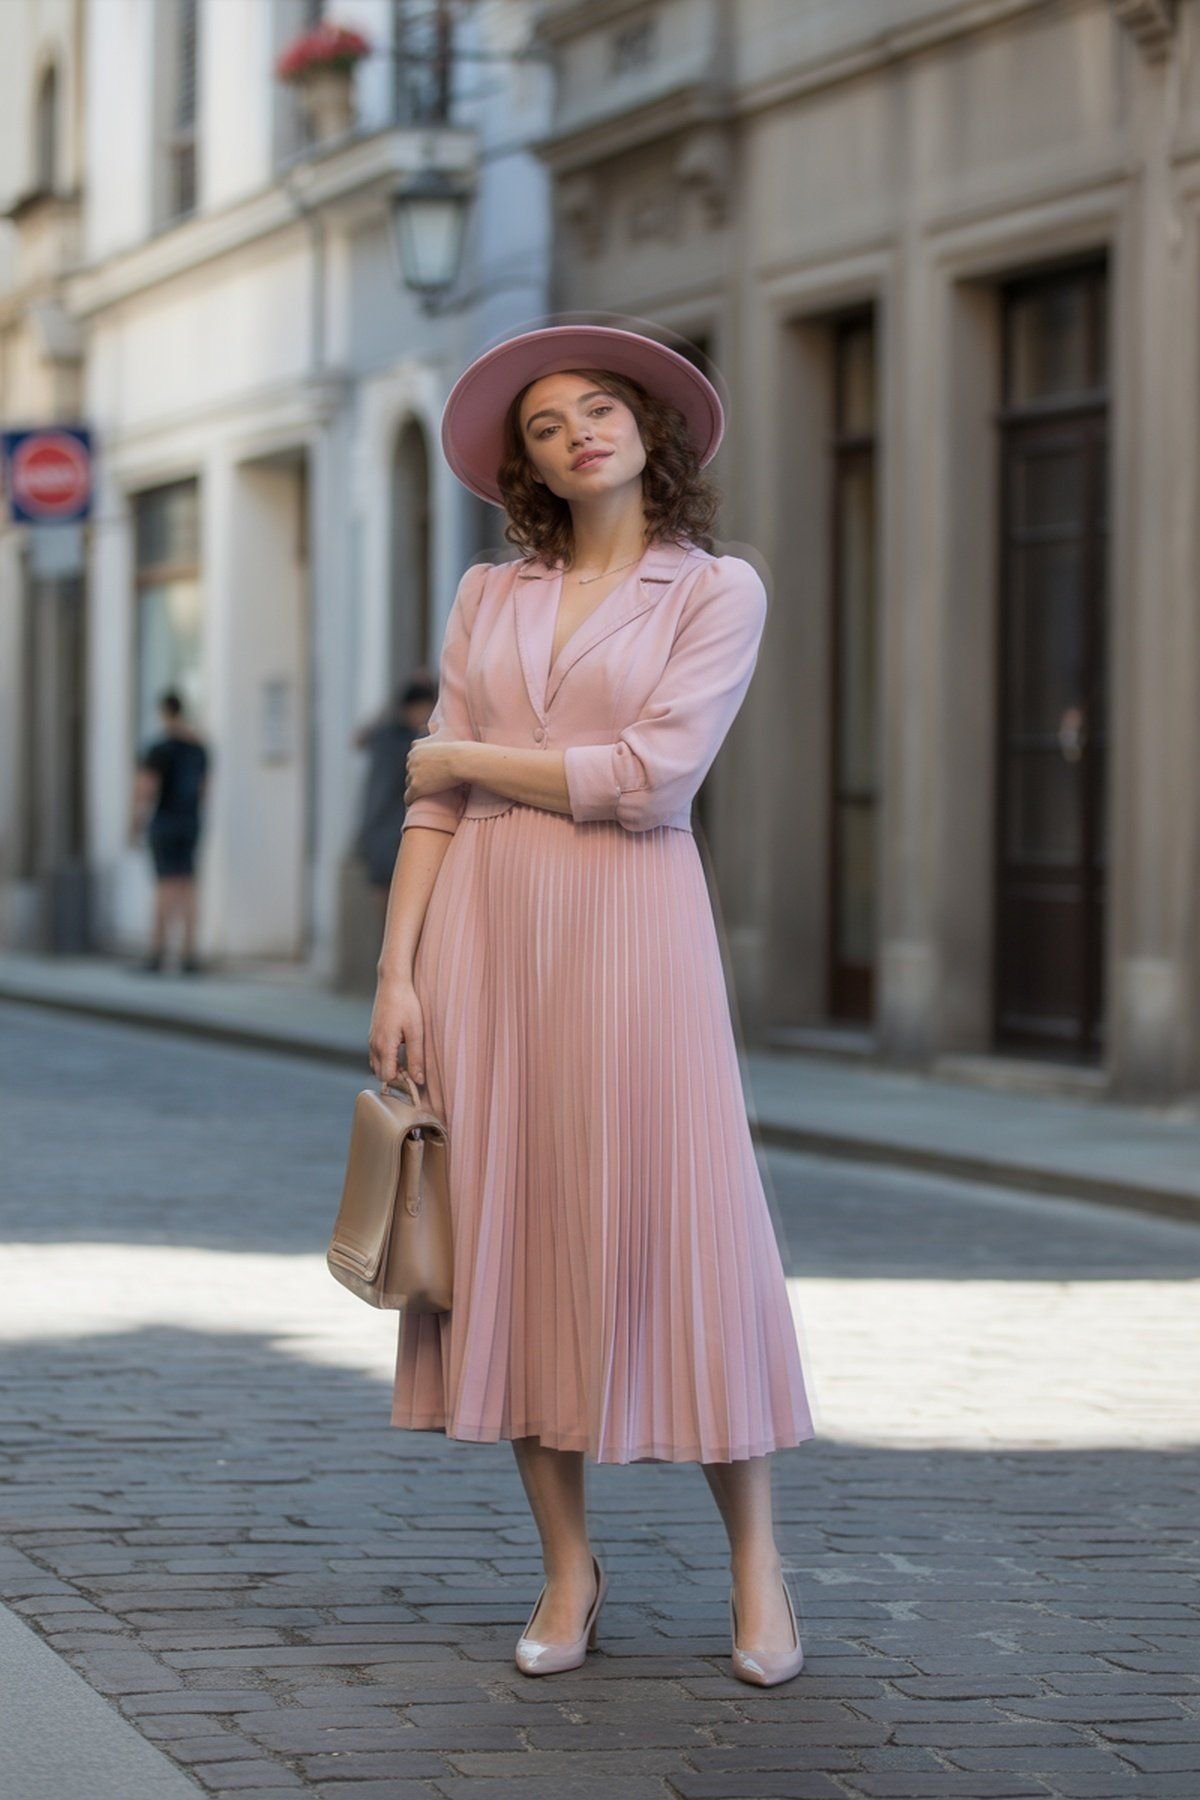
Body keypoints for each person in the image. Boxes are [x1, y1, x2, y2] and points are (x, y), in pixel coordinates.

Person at [368, 322, 815, 1687]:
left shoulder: (714, 589)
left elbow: (655, 779)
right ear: (531, 467)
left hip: (637, 933)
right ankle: (568, 1570)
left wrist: (462, 749)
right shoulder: (487, 597)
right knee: (512, 1230)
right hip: (484, 939)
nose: (579, 434)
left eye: (602, 408)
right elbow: (434, 802)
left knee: (690, 1226)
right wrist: (397, 969)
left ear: (650, 429)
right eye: (549, 425)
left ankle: (758, 1569)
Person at [130, 690, 210, 974]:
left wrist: (135, 822)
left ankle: (157, 952)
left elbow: (146, 787)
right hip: (190, 822)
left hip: (164, 821)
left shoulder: (159, 749)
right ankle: (189, 954)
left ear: (164, 713)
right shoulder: (199, 748)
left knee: (165, 885)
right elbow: (204, 789)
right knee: (187, 886)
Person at [352, 676, 437, 918]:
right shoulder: (404, 743)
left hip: (388, 833)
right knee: (394, 915)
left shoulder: (385, 737)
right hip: (389, 834)